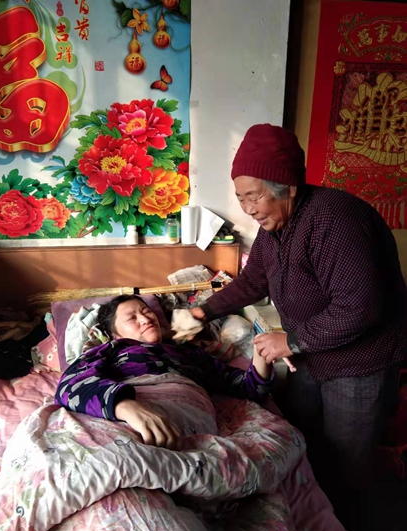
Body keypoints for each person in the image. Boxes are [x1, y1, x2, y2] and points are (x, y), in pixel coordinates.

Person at [191, 123, 407, 496]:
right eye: (241, 198)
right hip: (311, 352)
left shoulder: (336, 220)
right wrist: (202, 313)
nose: (248, 209)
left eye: (254, 197)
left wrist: (290, 341)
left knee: (346, 466)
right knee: (305, 443)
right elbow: (254, 281)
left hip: (358, 363)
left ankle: (348, 522)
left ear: (288, 187)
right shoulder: (275, 227)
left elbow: (358, 308)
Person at [55, 294, 273, 450]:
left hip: (195, 434)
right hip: (130, 425)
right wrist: (125, 407)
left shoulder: (190, 353)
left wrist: (262, 352)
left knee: (276, 441)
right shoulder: (111, 349)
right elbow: (70, 386)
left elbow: (248, 388)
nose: (146, 319)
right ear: (115, 335)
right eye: (132, 318)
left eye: (147, 311)